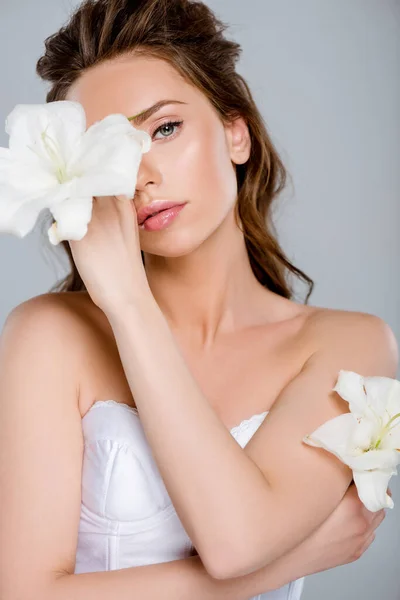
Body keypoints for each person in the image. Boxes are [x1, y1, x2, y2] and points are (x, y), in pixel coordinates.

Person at [0, 1, 397, 599]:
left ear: (235, 133)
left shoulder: (349, 343)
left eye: (164, 129)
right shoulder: (49, 336)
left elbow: (234, 540)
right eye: (109, 153)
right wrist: (127, 304)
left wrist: (131, 305)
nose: (141, 177)